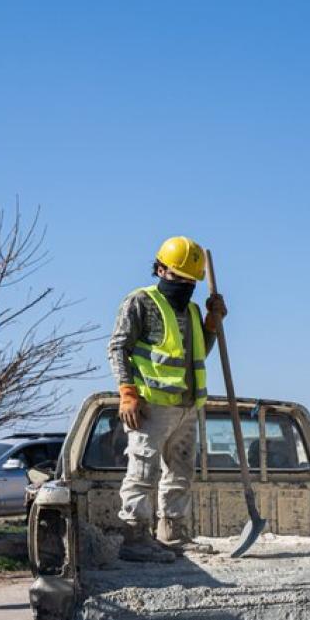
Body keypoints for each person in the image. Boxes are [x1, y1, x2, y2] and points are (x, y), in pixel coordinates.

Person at [107, 235, 227, 562]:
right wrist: (127, 392)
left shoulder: (189, 308)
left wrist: (212, 325)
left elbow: (197, 354)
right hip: (151, 406)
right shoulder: (140, 302)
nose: (185, 284)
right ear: (160, 269)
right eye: (178, 276)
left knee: (180, 472)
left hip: (188, 406)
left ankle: (172, 532)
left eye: (191, 280)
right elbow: (118, 347)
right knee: (143, 470)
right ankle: (134, 537)